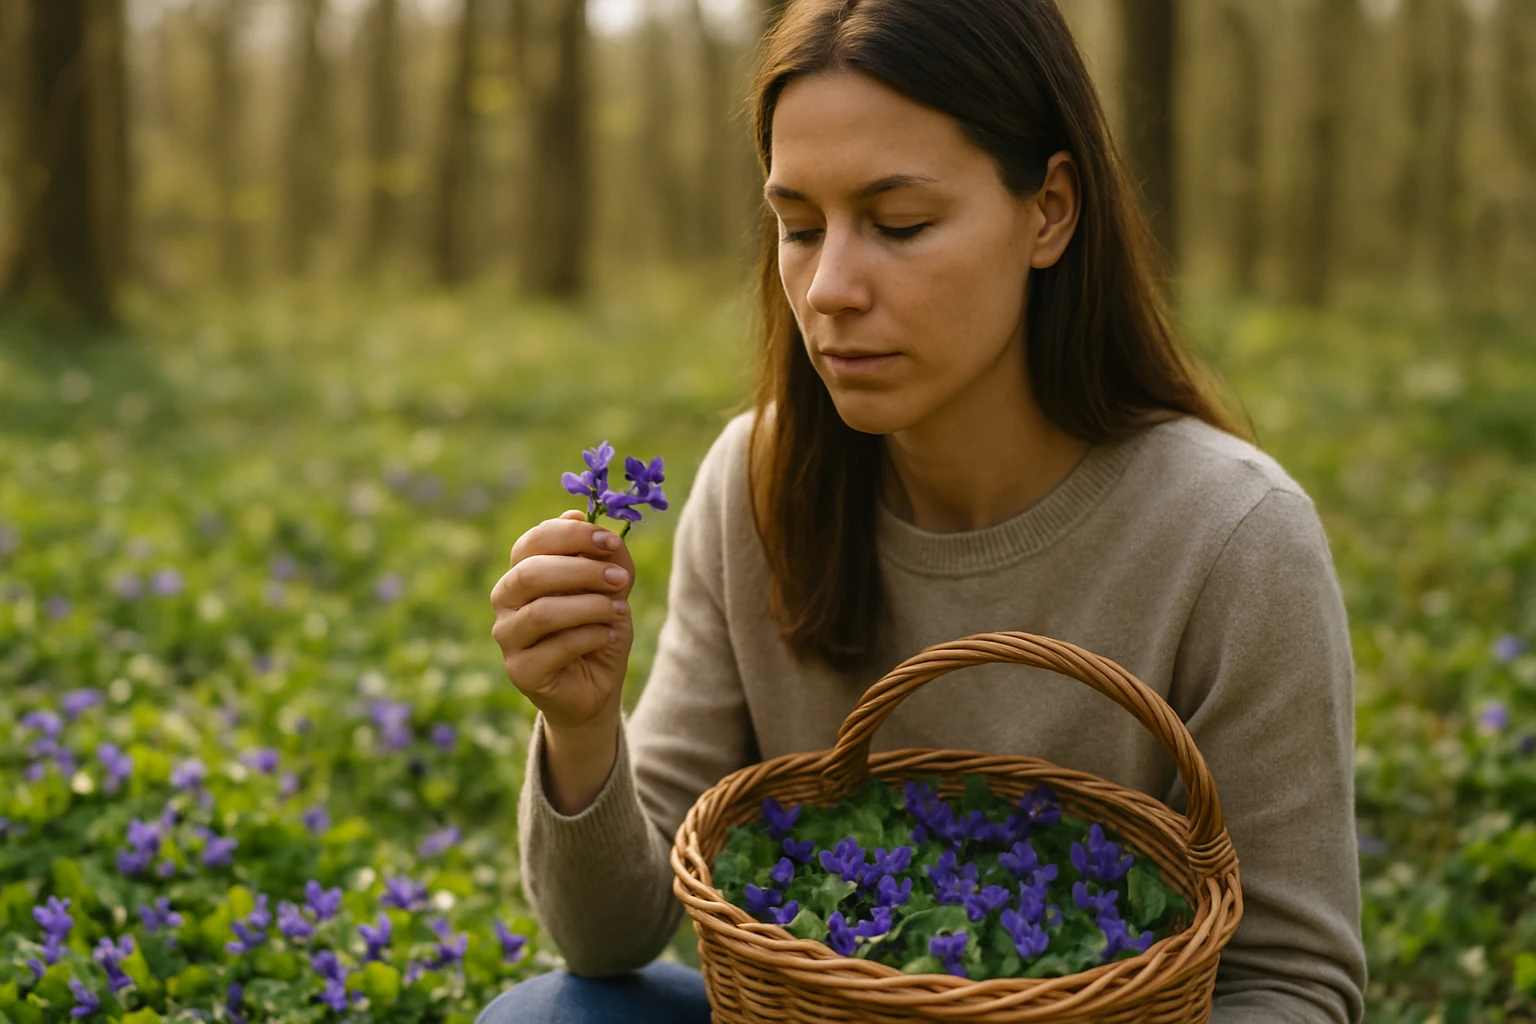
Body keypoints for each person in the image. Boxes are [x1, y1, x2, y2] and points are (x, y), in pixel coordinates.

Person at [481, 0, 1367, 1020]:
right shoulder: (758, 482)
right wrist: (583, 726)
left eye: (899, 224)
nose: (830, 289)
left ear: (1050, 211)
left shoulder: (1234, 538)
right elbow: (610, 936)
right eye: (799, 227)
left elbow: (1292, 982)